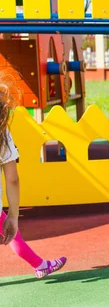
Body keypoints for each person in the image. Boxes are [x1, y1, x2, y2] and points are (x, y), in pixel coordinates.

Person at [0, 75, 66, 278]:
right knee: (12, 233)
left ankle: (40, 264)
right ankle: (40, 265)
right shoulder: (3, 135)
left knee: (11, 235)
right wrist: (13, 214)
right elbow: (12, 178)